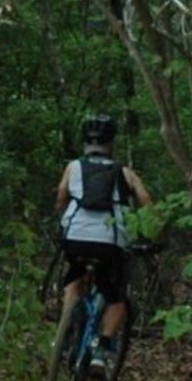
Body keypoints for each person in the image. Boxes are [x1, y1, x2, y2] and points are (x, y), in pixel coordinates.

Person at [53, 112, 149, 358]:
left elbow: (61, 197)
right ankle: (101, 350)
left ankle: (65, 332)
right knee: (117, 298)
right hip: (110, 242)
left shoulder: (73, 167)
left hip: (74, 237)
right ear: (111, 143)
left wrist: (63, 222)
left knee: (74, 281)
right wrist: (148, 237)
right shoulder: (125, 173)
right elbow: (148, 206)